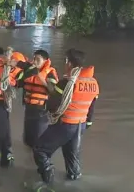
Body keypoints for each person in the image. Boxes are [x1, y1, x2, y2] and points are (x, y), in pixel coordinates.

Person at [33, 48, 99, 184]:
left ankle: (47, 178)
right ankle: (74, 179)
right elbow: (91, 108)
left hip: (66, 124)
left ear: (69, 63)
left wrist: (47, 108)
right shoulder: (93, 83)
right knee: (72, 155)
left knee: (40, 150)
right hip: (80, 125)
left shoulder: (66, 82)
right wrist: (87, 124)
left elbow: (52, 104)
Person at [11, 49, 58, 149]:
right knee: (28, 139)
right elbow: (19, 83)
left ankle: (39, 158)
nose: (35, 61)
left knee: (39, 138)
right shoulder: (29, 70)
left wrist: (41, 77)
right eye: (34, 59)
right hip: (29, 108)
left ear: (45, 61)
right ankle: (29, 160)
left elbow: (53, 91)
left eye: (38, 59)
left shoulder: (50, 73)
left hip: (41, 110)